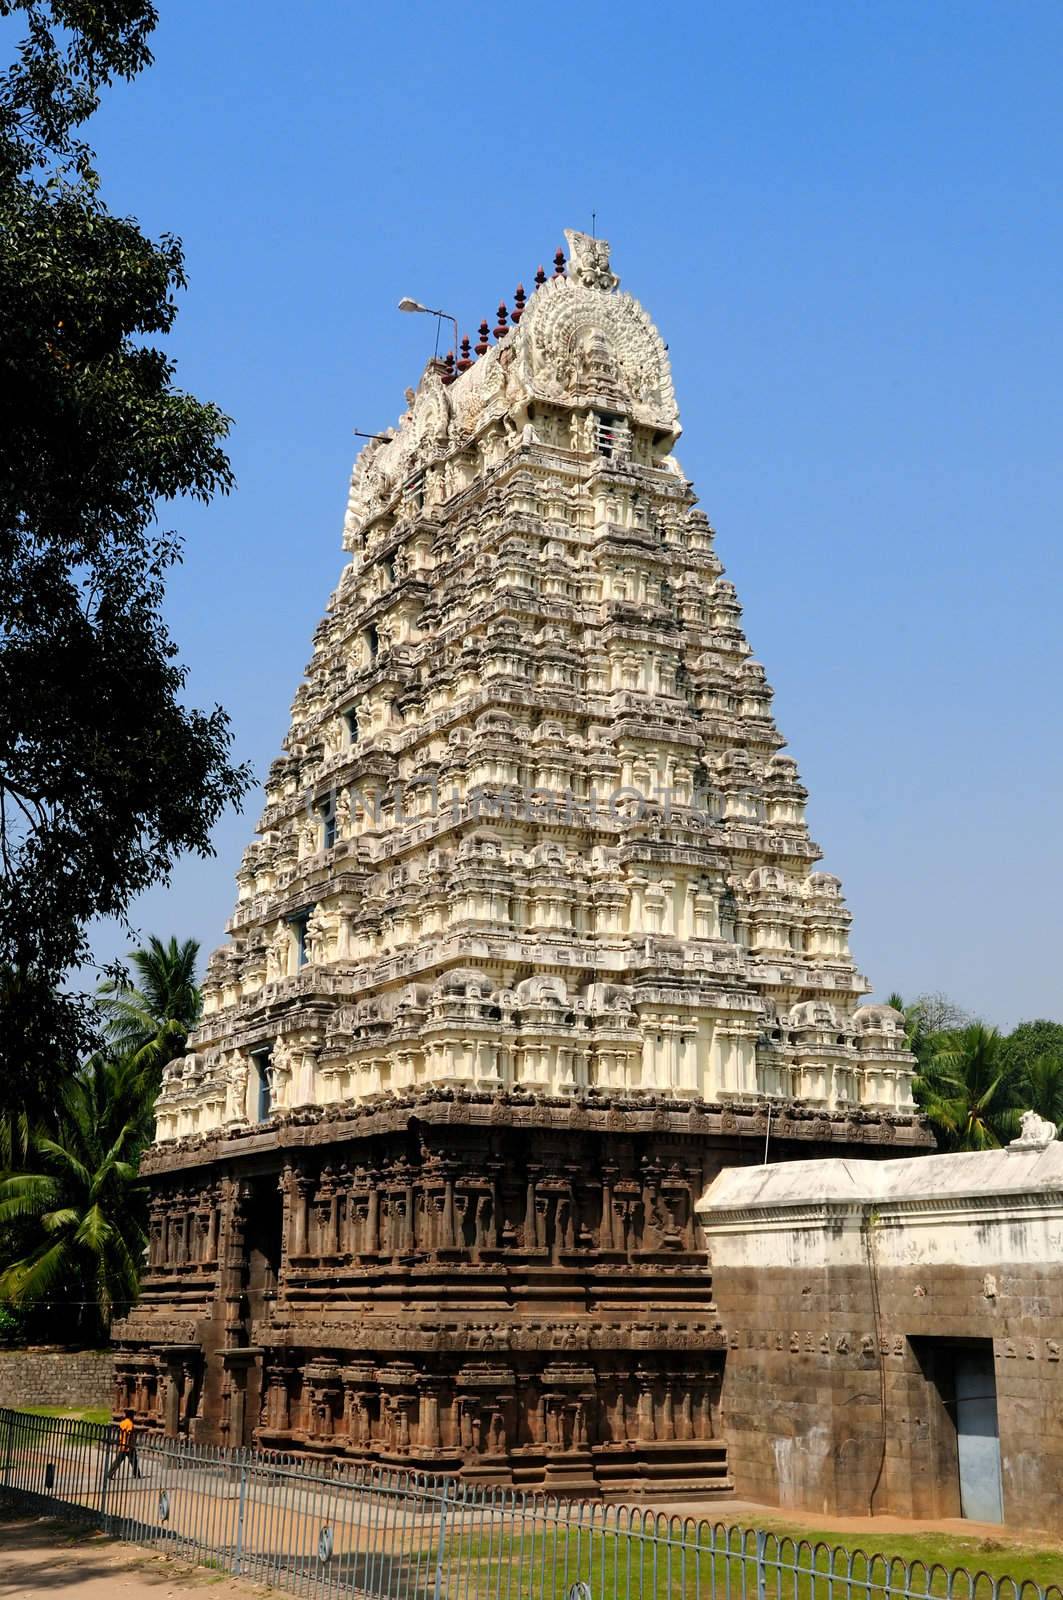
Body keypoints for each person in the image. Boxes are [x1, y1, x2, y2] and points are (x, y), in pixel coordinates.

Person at [106, 1409, 142, 1480]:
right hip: (128, 1445)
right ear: (131, 1416)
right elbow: (128, 1435)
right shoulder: (130, 1424)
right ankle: (137, 1474)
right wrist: (127, 1445)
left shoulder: (122, 1423)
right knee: (134, 1460)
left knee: (118, 1461)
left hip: (122, 1443)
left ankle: (110, 1473)